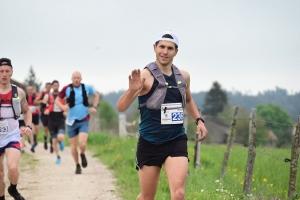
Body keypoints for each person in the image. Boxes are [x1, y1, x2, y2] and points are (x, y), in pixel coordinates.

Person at [116, 31, 208, 200]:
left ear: (176, 52)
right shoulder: (145, 75)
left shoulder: (183, 76)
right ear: (155, 48)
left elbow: (188, 100)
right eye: (162, 47)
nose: (165, 52)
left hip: (176, 140)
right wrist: (132, 90)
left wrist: (199, 120)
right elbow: (121, 107)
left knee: (179, 193)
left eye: (170, 48)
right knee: (147, 196)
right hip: (150, 142)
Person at [0, 58, 33, 200]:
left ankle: (13, 189)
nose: (4, 74)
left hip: (12, 135)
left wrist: (28, 125)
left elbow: (27, 111)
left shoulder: (18, 92)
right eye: (1, 71)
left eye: (7, 71)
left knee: (12, 167)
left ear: (11, 72)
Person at [55, 71, 99, 174]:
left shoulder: (87, 87)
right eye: (74, 78)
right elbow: (57, 100)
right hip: (71, 121)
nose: (76, 79)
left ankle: (82, 154)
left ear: (81, 79)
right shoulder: (66, 88)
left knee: (82, 143)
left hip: (84, 119)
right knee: (73, 145)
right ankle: (77, 165)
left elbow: (96, 95)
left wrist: (94, 107)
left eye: (78, 78)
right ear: (72, 79)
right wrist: (63, 107)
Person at [44, 80, 66, 164]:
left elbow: (67, 104)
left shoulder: (63, 96)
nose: (56, 87)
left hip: (60, 119)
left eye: (57, 85)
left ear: (59, 86)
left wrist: (65, 111)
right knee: (53, 141)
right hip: (51, 119)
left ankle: (61, 141)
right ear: (52, 87)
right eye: (54, 86)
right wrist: (46, 111)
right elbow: (42, 106)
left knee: (60, 137)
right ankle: (58, 156)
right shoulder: (48, 96)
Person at [34, 82, 53, 152]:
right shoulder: (42, 94)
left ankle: (51, 145)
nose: (48, 88)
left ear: (51, 87)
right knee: (46, 129)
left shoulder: (52, 94)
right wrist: (43, 101)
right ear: (45, 87)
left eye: (49, 86)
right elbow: (35, 101)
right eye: (47, 86)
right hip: (44, 113)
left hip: (51, 113)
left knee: (51, 129)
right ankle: (45, 140)